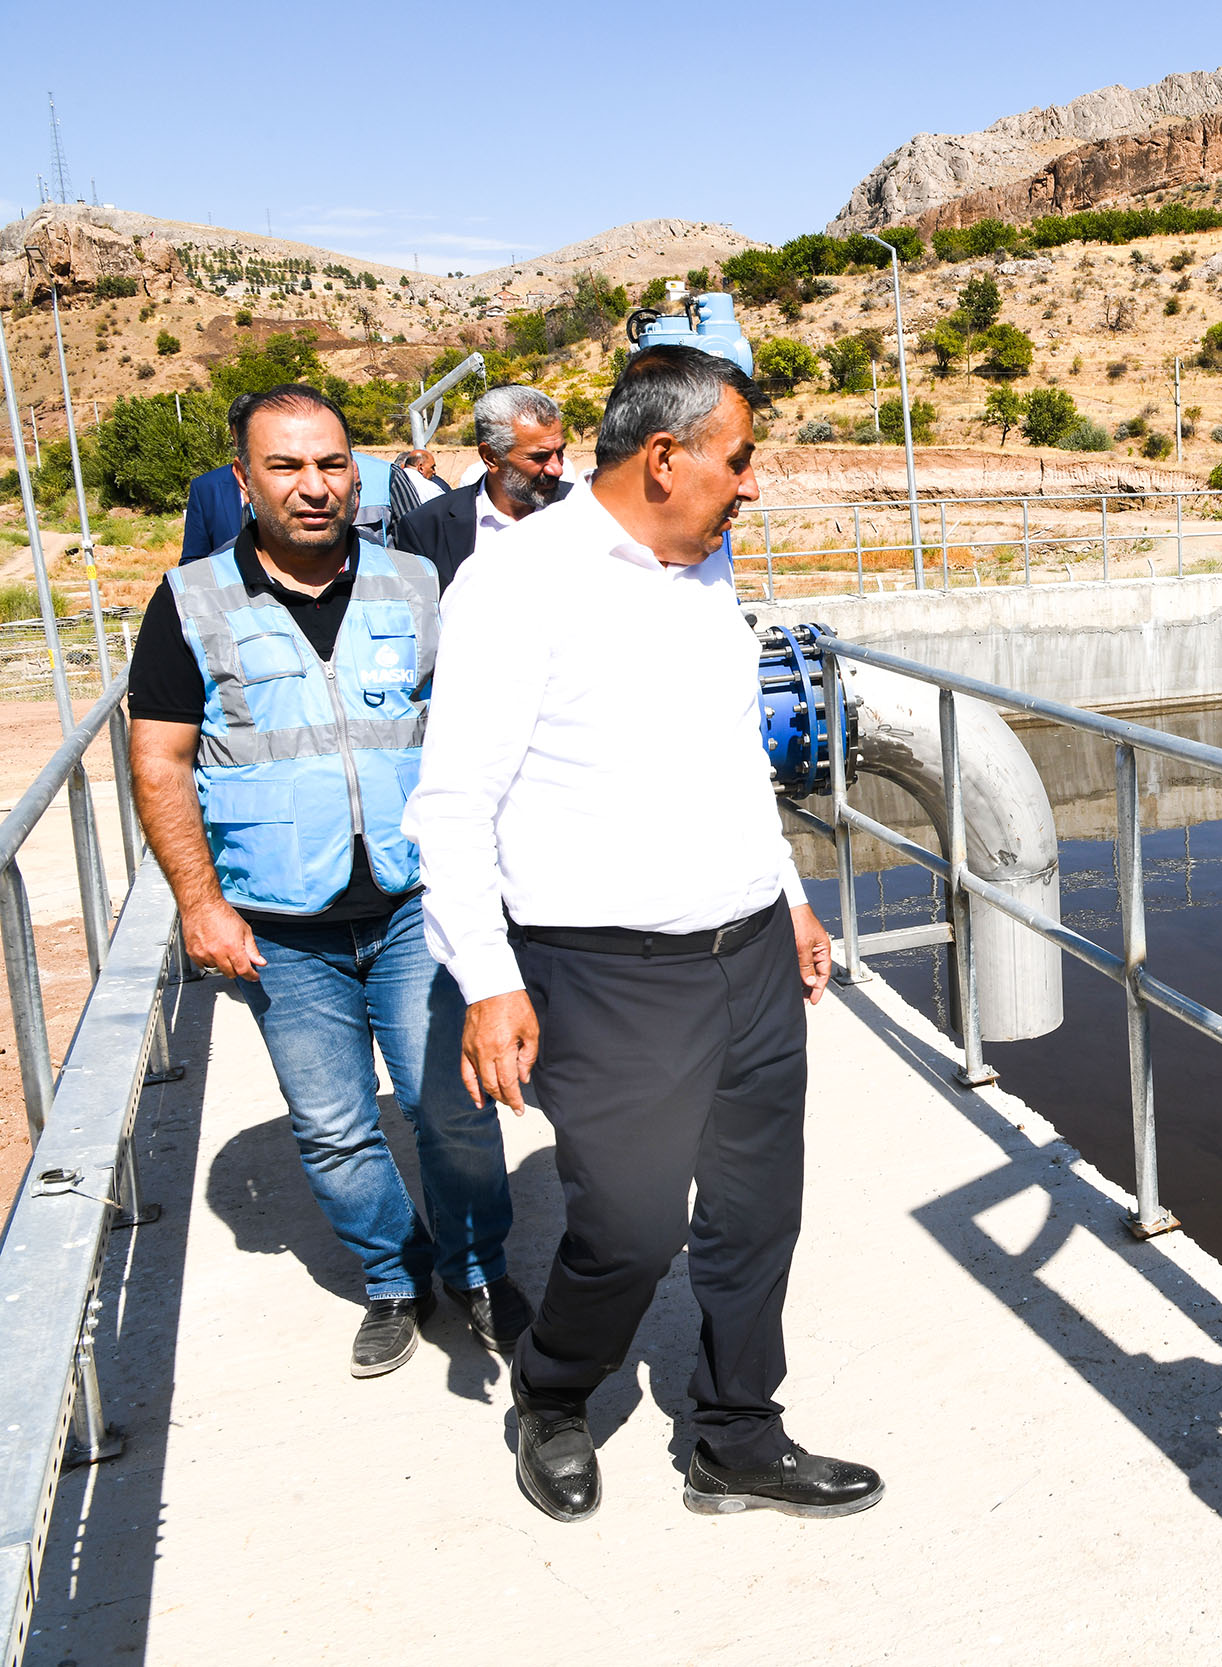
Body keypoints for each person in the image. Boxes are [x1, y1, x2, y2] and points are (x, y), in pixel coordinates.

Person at [405, 345, 879, 1526]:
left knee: (758, 1209)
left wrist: (792, 893)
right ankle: (556, 1394)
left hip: (752, 951)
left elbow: (728, 759)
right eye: (739, 458)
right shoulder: (517, 585)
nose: (751, 484)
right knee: (625, 1226)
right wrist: (487, 980)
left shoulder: (703, 568)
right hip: (605, 972)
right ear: (664, 457)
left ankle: (735, 1432)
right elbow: (452, 803)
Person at [127, 382, 526, 1377]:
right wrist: (200, 902)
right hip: (280, 924)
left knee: (454, 1107)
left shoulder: (419, 585)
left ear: (362, 471)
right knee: (336, 1125)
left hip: (415, 909)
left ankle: (477, 1271)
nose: (314, 486)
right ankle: (394, 1276)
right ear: (243, 480)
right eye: (287, 465)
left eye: (333, 463)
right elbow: (159, 760)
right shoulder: (189, 603)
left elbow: (482, 736)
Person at [396, 386, 572, 589]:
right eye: (539, 457)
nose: (557, 469)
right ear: (490, 457)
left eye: (559, 452)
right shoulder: (425, 528)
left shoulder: (586, 509)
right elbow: (418, 613)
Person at [175, 397, 252, 564]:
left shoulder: (302, 484)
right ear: (233, 435)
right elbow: (192, 561)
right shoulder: (206, 488)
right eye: (244, 434)